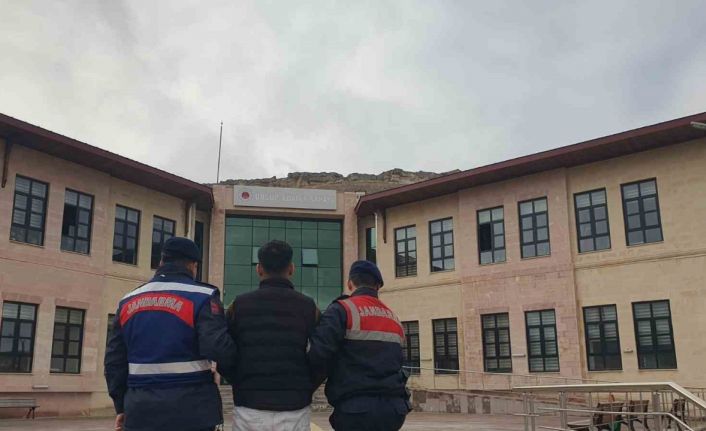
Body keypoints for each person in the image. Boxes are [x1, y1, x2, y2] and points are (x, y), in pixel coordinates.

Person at [104, 237, 237, 431]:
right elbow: (218, 348)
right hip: (192, 410)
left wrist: (121, 406)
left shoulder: (128, 301)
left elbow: (114, 362)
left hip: (140, 410)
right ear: (193, 265)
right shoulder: (203, 297)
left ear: (161, 261)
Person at [220, 240, 319, 431]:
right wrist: (306, 385)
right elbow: (323, 353)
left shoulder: (239, 305)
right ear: (291, 269)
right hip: (295, 409)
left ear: (259, 269)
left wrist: (239, 381)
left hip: (249, 408)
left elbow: (223, 351)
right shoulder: (308, 306)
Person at [308, 260, 410, 431]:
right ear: (378, 286)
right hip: (394, 411)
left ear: (350, 284)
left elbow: (318, 354)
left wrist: (303, 391)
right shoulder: (394, 318)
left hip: (355, 410)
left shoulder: (342, 309)